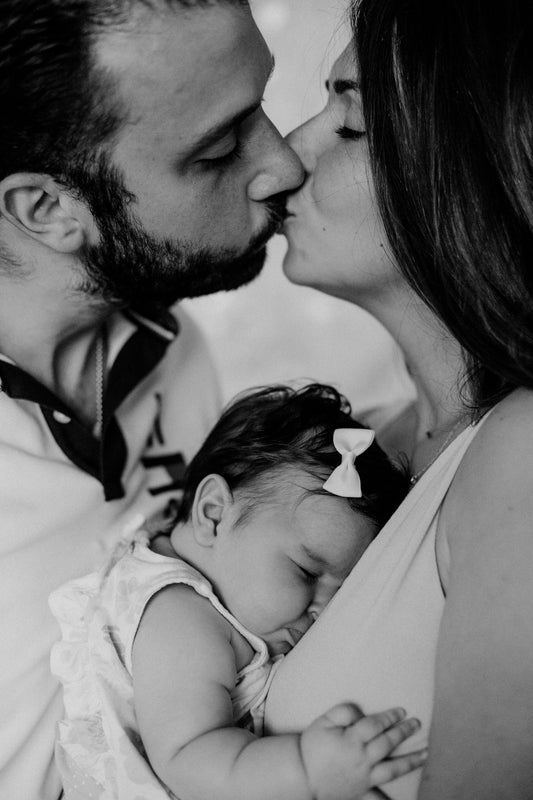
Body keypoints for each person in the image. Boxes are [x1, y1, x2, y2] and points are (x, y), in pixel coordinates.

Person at [0, 1, 304, 797]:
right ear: (48, 210)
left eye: (261, 108)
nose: (281, 164)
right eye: (217, 149)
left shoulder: (175, 351)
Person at [265, 2, 533, 799]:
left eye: (348, 125)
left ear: (465, 170)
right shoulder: (364, 444)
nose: (284, 157)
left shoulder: (520, 456)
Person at [49, 382, 419, 799]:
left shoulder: (205, 581)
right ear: (213, 514)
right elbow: (188, 756)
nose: (325, 609)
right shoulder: (181, 619)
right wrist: (306, 770)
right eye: (306, 572)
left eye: (345, 589)